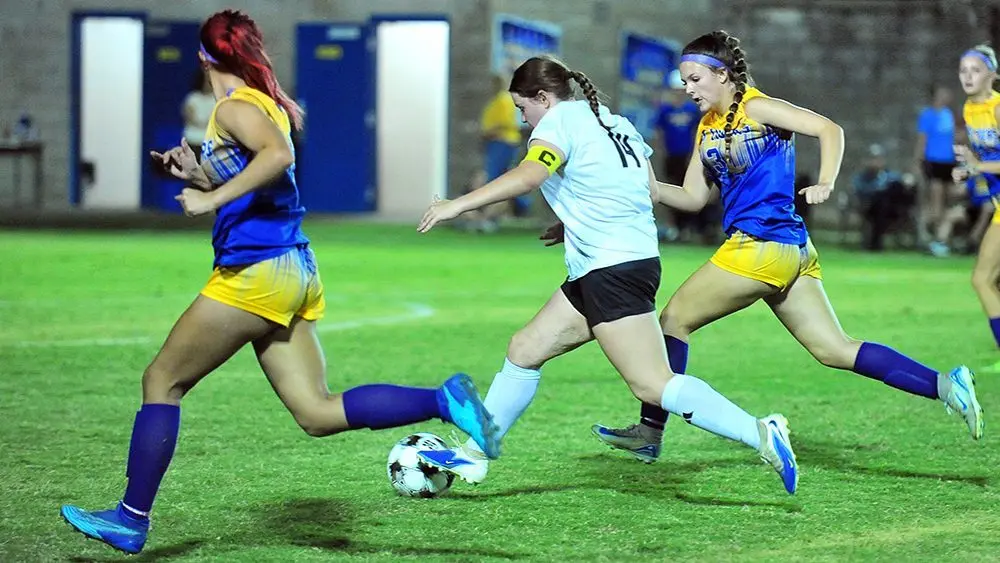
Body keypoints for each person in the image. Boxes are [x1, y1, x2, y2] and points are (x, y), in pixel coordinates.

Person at [59, 10, 499, 555]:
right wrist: (196, 172)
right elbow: (263, 175)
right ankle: (442, 399)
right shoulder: (263, 103)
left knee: (162, 382)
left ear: (203, 57)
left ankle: (130, 518)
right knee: (316, 412)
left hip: (256, 274)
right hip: (292, 268)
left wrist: (209, 198)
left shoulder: (235, 107)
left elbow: (278, 156)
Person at [588, 30, 983, 463]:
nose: (688, 88)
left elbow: (828, 129)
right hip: (790, 252)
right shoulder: (707, 127)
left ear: (723, 75)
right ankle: (946, 384)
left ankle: (650, 430)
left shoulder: (758, 107)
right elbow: (692, 197)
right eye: (685, 81)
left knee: (674, 319)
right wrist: (648, 186)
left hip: (760, 246)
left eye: (695, 79)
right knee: (834, 349)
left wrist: (827, 181)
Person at [415, 56, 799, 495]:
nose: (523, 120)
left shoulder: (556, 124)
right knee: (524, 348)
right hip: (620, 261)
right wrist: (573, 219)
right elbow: (638, 188)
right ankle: (474, 455)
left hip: (611, 268)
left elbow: (530, 175)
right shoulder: (614, 122)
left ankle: (762, 434)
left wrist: (456, 204)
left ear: (544, 98)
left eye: (524, 108)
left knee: (652, 383)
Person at [951, 44, 1000, 367]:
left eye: (976, 70)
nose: (968, 77)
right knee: (984, 279)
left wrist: (975, 168)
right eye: (963, 70)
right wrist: (970, 164)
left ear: (992, 75)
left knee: (982, 279)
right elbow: (987, 157)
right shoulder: (970, 108)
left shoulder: (997, 107)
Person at [481, 74, 528, 220]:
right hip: (496, 142)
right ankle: (513, 208)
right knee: (500, 177)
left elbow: (509, 122)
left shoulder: (504, 100)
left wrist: (491, 131)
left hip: (503, 142)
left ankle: (521, 206)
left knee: (497, 178)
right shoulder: (497, 100)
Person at [914, 85, 957, 243]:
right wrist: (918, 161)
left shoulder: (948, 114)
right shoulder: (927, 115)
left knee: (948, 199)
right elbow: (922, 139)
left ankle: (940, 234)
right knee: (935, 198)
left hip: (949, 162)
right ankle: (927, 234)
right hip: (933, 161)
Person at [182, 69, 216, 160]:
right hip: (193, 140)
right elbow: (190, 118)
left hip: (210, 143)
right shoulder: (192, 98)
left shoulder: (216, 99)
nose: (207, 84)